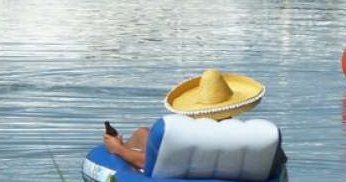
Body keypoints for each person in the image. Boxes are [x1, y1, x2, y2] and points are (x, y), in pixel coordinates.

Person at [103, 69, 277, 171]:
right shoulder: (248, 136)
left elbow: (151, 164)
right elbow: (279, 160)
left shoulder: (192, 139)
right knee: (143, 133)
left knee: (143, 135)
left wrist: (118, 149)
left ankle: (120, 144)